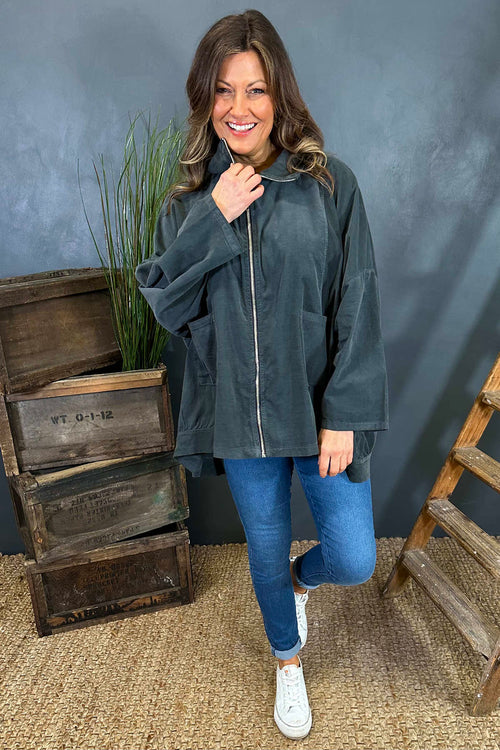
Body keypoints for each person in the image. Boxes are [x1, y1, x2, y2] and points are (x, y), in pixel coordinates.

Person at [135, 9, 389, 740]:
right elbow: (168, 305)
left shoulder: (329, 185)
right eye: (223, 90)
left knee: (354, 557)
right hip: (240, 420)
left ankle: (303, 586)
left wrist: (344, 414)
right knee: (265, 549)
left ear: (280, 94)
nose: (238, 108)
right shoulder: (188, 204)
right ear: (206, 98)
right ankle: (287, 660)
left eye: (255, 89)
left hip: (316, 411)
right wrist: (213, 218)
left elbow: (357, 300)